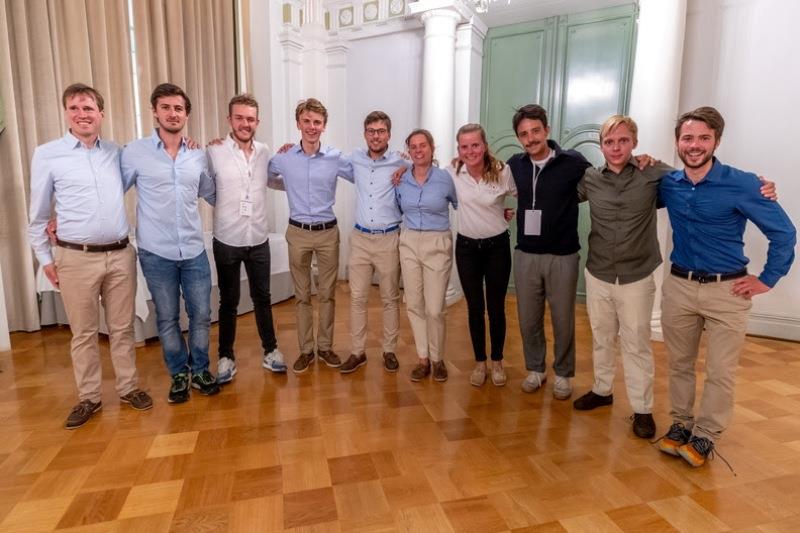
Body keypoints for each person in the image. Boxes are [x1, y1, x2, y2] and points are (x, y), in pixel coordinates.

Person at [656, 106, 795, 467]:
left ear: (716, 140)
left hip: (728, 291)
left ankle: (705, 436)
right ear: (677, 142)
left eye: (704, 137)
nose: (695, 144)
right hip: (680, 286)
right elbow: (633, 190)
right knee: (680, 364)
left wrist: (767, 279)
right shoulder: (668, 183)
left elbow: (784, 232)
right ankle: (681, 424)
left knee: (720, 371)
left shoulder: (745, 183)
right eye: (688, 138)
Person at [27, 83, 152, 429]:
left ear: (101, 114)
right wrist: (46, 260)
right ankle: (90, 397)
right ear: (67, 113)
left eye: (88, 109)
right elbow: (37, 216)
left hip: (120, 254)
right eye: (75, 108)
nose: (82, 115)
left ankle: (129, 387)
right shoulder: (47, 154)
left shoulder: (117, 153)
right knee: (83, 332)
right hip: (75, 258)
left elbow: (131, 180)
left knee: (122, 327)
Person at [571, 115, 673, 438]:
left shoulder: (653, 173)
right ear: (601, 145)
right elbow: (557, 195)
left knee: (636, 343)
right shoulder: (589, 178)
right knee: (601, 337)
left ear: (635, 143)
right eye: (609, 142)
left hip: (637, 275)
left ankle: (642, 409)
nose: (616, 148)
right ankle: (602, 390)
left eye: (623, 141)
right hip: (598, 271)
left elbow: (692, 184)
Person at [121, 83, 220, 403]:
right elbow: (112, 193)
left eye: (178, 108)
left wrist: (220, 152)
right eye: (166, 107)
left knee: (202, 314)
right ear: (154, 111)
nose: (173, 113)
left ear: (186, 115)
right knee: (166, 317)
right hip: (156, 251)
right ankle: (179, 374)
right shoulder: (135, 152)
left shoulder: (198, 154)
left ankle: (201, 369)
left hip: (193, 248)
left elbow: (213, 193)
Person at [506, 104, 591, 400]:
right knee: (528, 318)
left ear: (547, 130)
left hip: (563, 256)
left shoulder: (573, 161)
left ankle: (564, 374)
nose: (530, 139)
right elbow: (487, 181)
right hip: (526, 254)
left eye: (535, 131)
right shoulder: (514, 164)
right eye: (524, 134)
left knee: (563, 319)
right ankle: (535, 369)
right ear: (519, 138)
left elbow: (602, 184)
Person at [268, 98, 353, 374]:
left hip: (328, 232)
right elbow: (265, 176)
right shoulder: (284, 157)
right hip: (298, 232)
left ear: (324, 126)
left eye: (317, 122)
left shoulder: (335, 158)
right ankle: (306, 350)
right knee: (302, 295)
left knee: (327, 294)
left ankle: (325, 347)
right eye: (307, 121)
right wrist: (288, 187)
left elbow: (364, 174)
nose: (312, 127)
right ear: (298, 124)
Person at [206, 94, 286, 383]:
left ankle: (271, 350)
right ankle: (225, 357)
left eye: (250, 119)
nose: (245, 123)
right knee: (229, 300)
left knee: (262, 297)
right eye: (239, 117)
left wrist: (290, 159)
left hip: (259, 237)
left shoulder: (266, 152)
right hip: (227, 238)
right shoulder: (214, 151)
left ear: (257, 122)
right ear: (229, 120)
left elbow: (278, 181)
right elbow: (204, 186)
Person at [339, 111, 406, 374]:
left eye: (380, 131)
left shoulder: (402, 162)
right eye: (370, 131)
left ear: (389, 134)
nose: (375, 136)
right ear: (365, 133)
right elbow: (327, 160)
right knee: (357, 298)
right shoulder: (354, 158)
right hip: (360, 239)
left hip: (389, 238)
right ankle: (358, 352)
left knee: (390, 298)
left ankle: (389, 350)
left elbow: (427, 170)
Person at [449, 123, 516, 387]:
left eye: (475, 145)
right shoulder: (453, 172)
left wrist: (510, 211)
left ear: (484, 146)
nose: (470, 151)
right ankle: (480, 363)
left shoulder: (502, 171)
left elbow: (529, 195)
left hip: (497, 248)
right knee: (475, 308)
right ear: (459, 149)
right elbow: (423, 174)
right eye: (464, 146)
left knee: (496, 307)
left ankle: (497, 361)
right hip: (466, 249)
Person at [396, 129, 458, 383]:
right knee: (414, 304)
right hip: (409, 240)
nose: (418, 150)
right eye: (413, 147)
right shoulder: (400, 179)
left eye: (423, 145)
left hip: (437, 243)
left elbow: (461, 202)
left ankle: (438, 357)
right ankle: (423, 359)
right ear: (408, 151)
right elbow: (399, 206)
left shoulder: (446, 178)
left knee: (434, 308)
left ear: (432, 148)